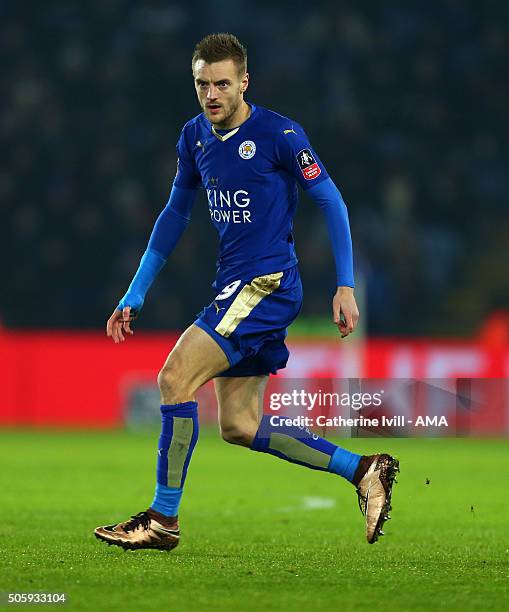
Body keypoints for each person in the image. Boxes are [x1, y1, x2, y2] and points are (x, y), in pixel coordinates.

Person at [94, 33, 399, 551]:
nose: (211, 94)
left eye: (221, 83)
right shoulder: (193, 137)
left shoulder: (280, 134)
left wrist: (345, 283)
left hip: (266, 283)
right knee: (239, 424)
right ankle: (365, 469)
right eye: (201, 84)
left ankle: (162, 518)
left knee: (174, 378)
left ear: (243, 83)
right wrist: (136, 291)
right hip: (235, 283)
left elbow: (331, 201)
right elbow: (174, 215)